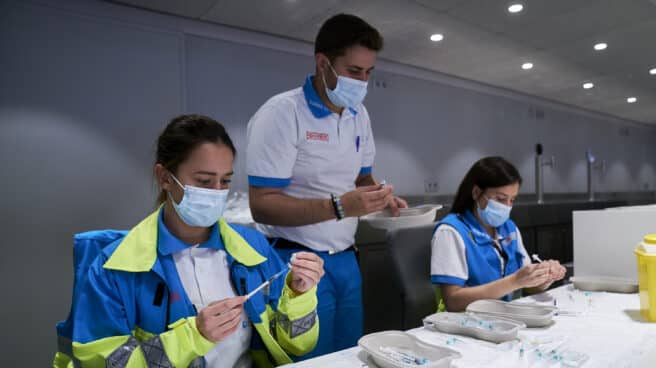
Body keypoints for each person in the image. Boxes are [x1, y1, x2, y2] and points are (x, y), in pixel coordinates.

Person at [66, 114, 324, 367]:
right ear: (165, 178)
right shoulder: (115, 268)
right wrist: (193, 336)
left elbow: (296, 346)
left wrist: (299, 295)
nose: (216, 193)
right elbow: (106, 364)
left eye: (225, 181)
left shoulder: (253, 248)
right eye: (203, 181)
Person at [245, 14, 407, 358]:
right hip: (295, 259)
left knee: (349, 356)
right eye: (353, 71)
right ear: (323, 63)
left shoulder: (358, 115)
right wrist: (339, 207)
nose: (362, 82)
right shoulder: (283, 113)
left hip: (346, 259)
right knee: (308, 359)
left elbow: (361, 177)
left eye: (368, 73)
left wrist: (380, 195)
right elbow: (262, 203)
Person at [430, 156, 566, 312]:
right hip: (464, 323)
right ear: (476, 192)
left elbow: (528, 287)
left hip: (503, 318)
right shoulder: (451, 232)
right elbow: (453, 301)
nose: (507, 207)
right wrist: (514, 281)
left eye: (512, 200)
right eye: (500, 199)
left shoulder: (509, 229)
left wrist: (543, 278)